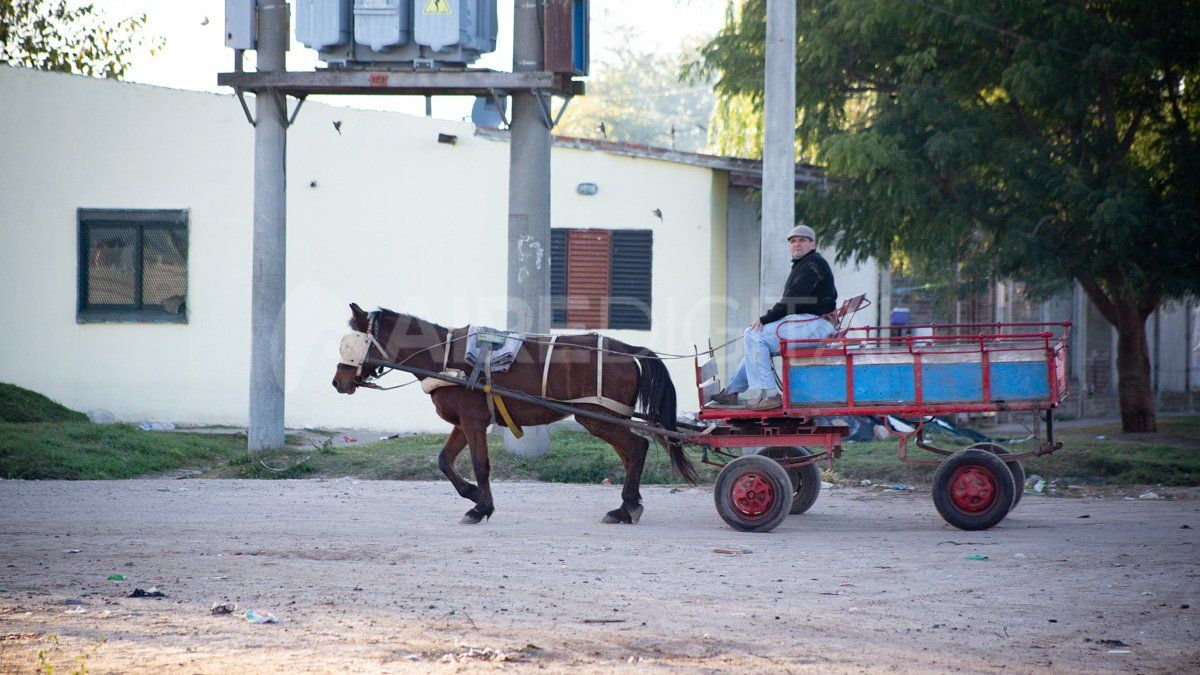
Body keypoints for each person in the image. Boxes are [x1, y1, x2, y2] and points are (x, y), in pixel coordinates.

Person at [711, 225, 838, 410]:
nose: (796, 244)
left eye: (802, 240)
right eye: (793, 241)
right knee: (754, 337)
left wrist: (765, 318)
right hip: (814, 322)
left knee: (755, 335)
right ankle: (732, 391)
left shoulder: (812, 264)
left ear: (813, 244)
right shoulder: (806, 264)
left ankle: (770, 395)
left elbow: (792, 301)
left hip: (817, 324)